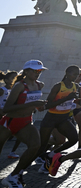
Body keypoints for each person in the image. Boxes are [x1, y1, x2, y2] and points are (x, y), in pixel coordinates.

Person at [0, 60, 47, 188]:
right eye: (35, 71)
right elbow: (7, 108)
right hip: (9, 122)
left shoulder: (39, 85)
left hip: (25, 122)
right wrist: (32, 104)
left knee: (35, 145)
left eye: (40, 71)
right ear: (26, 71)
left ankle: (13, 175)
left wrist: (39, 107)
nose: (38, 73)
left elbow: (33, 103)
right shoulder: (19, 86)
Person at [36, 65, 81, 173]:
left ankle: (51, 155)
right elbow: (48, 104)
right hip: (51, 118)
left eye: (77, 74)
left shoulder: (76, 86)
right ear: (67, 73)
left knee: (74, 139)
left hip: (63, 119)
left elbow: (73, 101)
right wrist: (66, 98)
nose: (75, 77)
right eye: (74, 74)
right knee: (42, 145)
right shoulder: (58, 86)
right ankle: (21, 170)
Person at [0, 71, 22, 159]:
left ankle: (12, 151)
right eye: (13, 78)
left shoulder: (16, 90)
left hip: (10, 115)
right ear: (6, 80)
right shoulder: (2, 90)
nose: (15, 80)